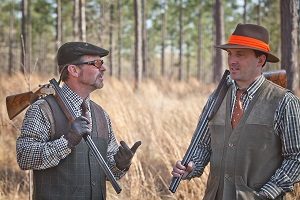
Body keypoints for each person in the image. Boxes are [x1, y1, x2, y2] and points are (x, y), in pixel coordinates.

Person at [171, 23, 300, 200]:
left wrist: (266, 193)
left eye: (240, 54)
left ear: (260, 60)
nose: (232, 60)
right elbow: (202, 146)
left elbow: (296, 158)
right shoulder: (216, 98)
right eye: (230, 54)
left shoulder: (284, 102)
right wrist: (191, 166)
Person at [16, 42, 141, 200]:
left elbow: (109, 174)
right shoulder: (43, 109)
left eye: (101, 63)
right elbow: (24, 157)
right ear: (73, 70)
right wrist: (67, 141)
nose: (103, 68)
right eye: (96, 63)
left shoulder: (101, 115)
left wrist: (120, 164)